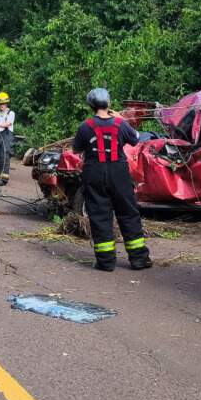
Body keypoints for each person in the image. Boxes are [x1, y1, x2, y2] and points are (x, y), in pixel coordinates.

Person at [71, 88, 152, 272]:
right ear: (108, 103)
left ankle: (106, 262)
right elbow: (136, 139)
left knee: (99, 215)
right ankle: (139, 259)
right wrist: (122, 119)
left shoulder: (85, 126)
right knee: (128, 213)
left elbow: (76, 150)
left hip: (94, 172)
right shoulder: (120, 124)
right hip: (118, 172)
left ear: (91, 106)